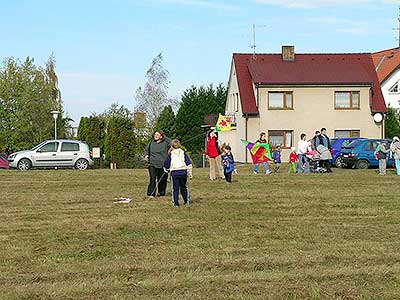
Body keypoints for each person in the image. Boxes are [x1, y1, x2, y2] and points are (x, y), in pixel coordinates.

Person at [164, 139, 193, 208]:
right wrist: (190, 173)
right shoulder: (183, 153)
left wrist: (166, 170)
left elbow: (166, 164)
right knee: (184, 187)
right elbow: (188, 163)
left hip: (174, 173)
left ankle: (176, 204)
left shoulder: (170, 154)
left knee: (175, 189)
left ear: (171, 146)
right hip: (183, 172)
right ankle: (186, 201)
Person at [145, 130, 171, 198]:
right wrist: (146, 155)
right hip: (152, 164)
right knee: (153, 179)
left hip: (163, 165)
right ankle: (151, 194)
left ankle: (161, 193)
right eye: (155, 134)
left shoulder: (166, 143)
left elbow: (172, 142)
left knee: (162, 180)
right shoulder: (151, 143)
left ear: (161, 136)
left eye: (157, 134)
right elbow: (146, 150)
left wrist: (164, 137)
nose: (155, 136)